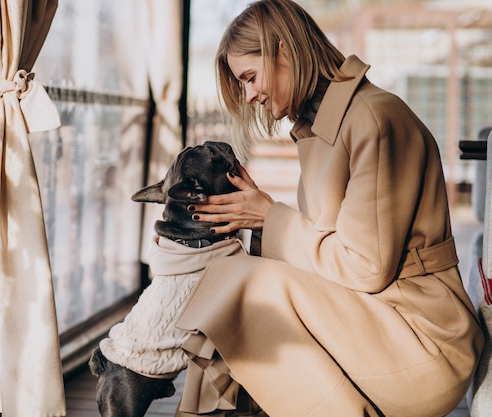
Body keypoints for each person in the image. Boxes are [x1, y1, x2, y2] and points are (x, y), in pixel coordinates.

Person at [174, 0, 485, 416]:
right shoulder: (324, 130)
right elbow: (332, 250)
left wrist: (268, 216)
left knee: (248, 285)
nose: (248, 96)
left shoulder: (373, 119)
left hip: (425, 342)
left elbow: (364, 268)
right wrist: (261, 217)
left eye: (250, 77)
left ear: (282, 50)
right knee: (235, 300)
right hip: (380, 326)